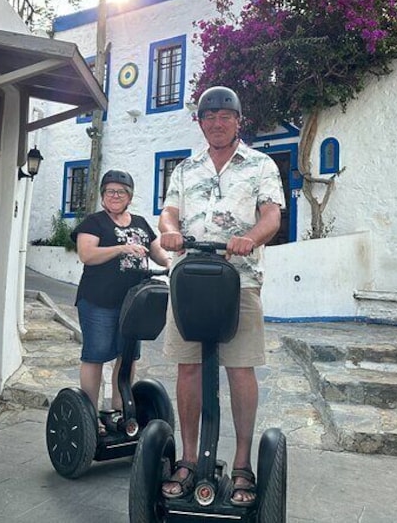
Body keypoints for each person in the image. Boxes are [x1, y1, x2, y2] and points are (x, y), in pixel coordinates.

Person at [158, 86, 285, 506]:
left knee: (240, 369)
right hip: (190, 280)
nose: (216, 122)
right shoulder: (185, 168)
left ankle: (243, 462)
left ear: (237, 120)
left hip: (240, 281)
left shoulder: (260, 165)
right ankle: (190, 458)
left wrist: (249, 237)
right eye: (208, 116)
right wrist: (169, 231)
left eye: (224, 116)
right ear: (200, 122)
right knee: (188, 369)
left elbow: (272, 215)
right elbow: (169, 211)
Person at [72, 169, 171, 434]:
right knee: (95, 355)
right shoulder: (94, 223)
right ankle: (89, 417)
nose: (115, 195)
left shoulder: (139, 222)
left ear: (129, 196)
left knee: (127, 356)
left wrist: (172, 264)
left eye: (121, 192)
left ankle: (119, 411)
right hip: (98, 300)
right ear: (103, 195)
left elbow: (156, 250)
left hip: (134, 303)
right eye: (110, 191)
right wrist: (121, 248)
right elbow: (87, 254)